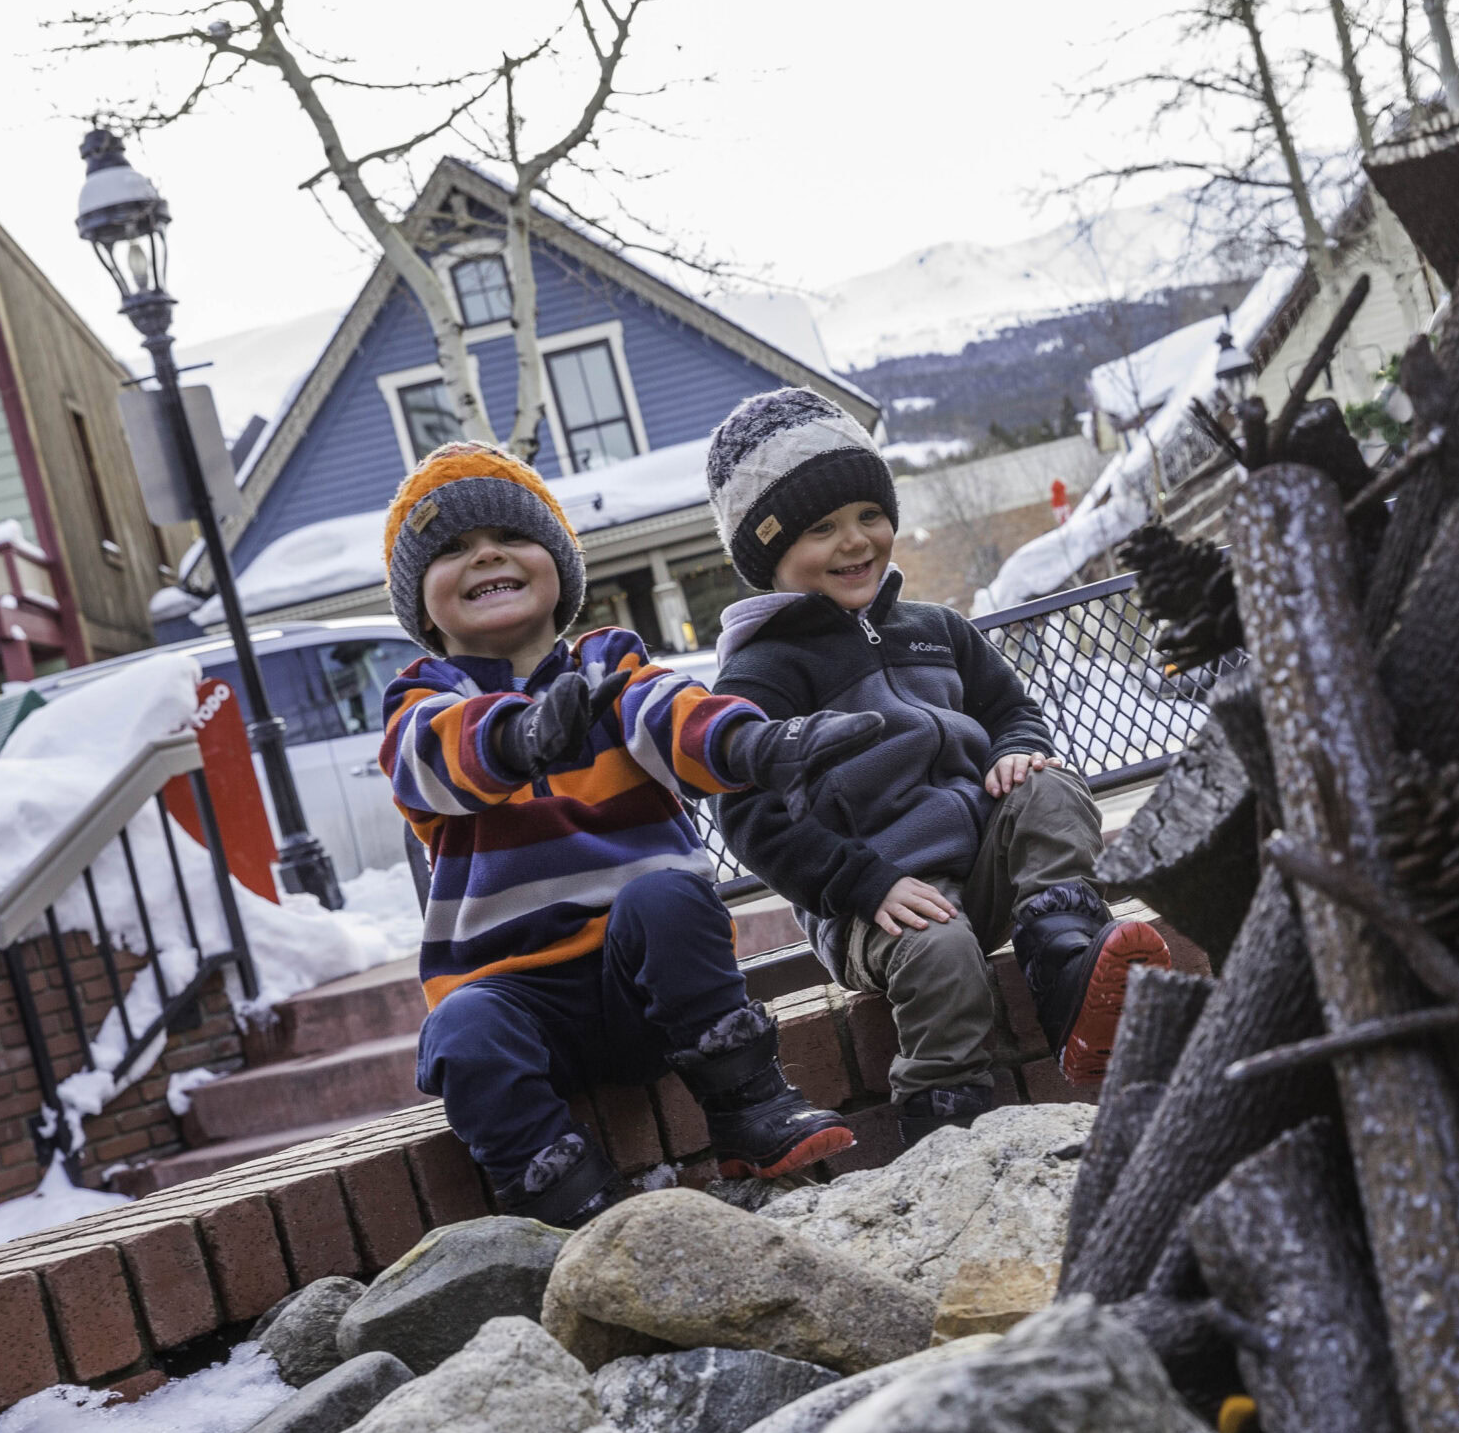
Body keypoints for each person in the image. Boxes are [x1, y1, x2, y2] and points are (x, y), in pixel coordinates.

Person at [377, 440, 884, 1225]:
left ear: (556, 565)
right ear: (421, 601)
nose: (485, 557)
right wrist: (521, 736)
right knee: (460, 1030)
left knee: (668, 898)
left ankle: (750, 1108)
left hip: (646, 986)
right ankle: (570, 1198)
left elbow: (673, 717)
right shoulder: (420, 702)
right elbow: (434, 759)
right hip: (519, 1002)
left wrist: (755, 745)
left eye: (510, 539)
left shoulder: (611, 667)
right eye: (450, 549)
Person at [703, 388, 1170, 1145]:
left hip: (981, 863)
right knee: (945, 951)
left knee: (1051, 786)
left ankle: (1066, 966)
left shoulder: (936, 629)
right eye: (822, 527)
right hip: (876, 901)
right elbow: (749, 818)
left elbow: (1010, 708)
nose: (856, 541)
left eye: (868, 515)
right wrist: (864, 883)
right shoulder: (763, 673)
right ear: (769, 553)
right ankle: (948, 1121)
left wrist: (1017, 748)